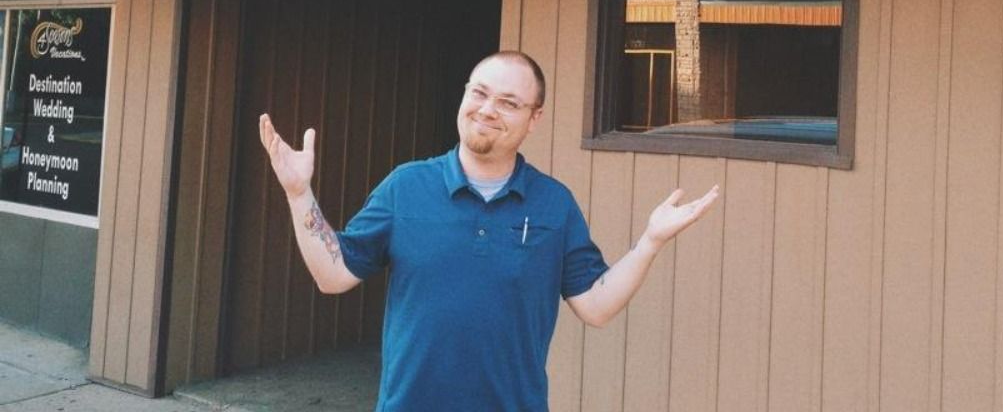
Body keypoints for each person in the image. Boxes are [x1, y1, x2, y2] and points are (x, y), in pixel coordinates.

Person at [259, 49, 720, 412]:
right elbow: (333, 275)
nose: (487, 110)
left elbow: (596, 307)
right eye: (479, 93)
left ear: (534, 117)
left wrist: (650, 242)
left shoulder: (553, 204)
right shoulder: (406, 187)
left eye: (508, 102)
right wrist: (300, 194)